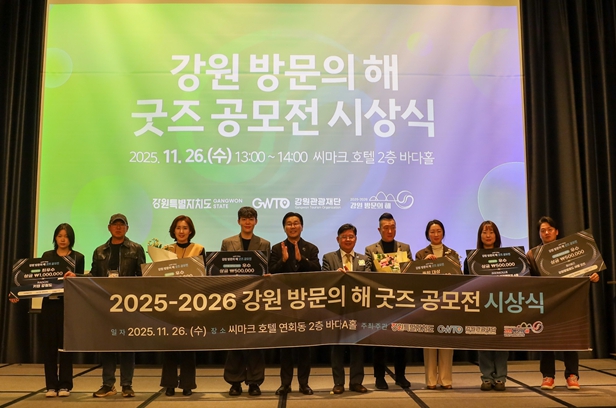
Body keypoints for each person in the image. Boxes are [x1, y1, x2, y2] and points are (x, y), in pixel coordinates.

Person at [9, 223, 85, 397]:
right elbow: (35, 280)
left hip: (68, 307)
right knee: (49, 346)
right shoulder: (47, 256)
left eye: (66, 236)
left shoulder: (78, 258)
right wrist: (17, 293)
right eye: (59, 236)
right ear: (55, 238)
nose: (63, 239)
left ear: (71, 238)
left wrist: (75, 277)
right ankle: (51, 385)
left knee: (66, 347)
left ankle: (65, 385)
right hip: (49, 306)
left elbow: (81, 283)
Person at [527, 216, 600, 391]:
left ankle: (572, 375)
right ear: (539, 234)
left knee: (570, 337)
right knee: (546, 338)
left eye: (550, 229)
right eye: (543, 230)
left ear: (557, 231)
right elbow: (528, 279)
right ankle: (548, 376)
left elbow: (584, 270)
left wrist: (593, 276)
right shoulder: (533, 254)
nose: (546, 233)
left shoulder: (571, 249)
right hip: (546, 302)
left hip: (569, 301)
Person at [90, 213, 145, 398]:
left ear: (127, 228)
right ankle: (108, 384)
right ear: (109, 228)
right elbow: (93, 277)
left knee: (128, 345)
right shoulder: (99, 251)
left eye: (122, 225)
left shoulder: (136, 249)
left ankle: (127, 385)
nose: (118, 227)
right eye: (115, 224)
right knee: (107, 345)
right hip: (105, 305)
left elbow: (143, 277)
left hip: (128, 305)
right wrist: (76, 278)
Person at [220, 206, 270, 397]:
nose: (247, 222)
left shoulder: (264, 244)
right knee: (235, 341)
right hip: (234, 299)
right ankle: (235, 382)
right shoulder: (227, 243)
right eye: (244, 219)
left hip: (256, 300)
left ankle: (255, 382)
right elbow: (221, 270)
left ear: (256, 221)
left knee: (256, 343)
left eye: (251, 219)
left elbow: (266, 270)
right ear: (238, 221)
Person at [270, 212, 321, 396]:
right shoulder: (277, 248)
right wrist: (283, 260)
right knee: (286, 346)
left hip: (305, 303)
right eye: (289, 224)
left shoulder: (311, 248)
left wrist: (302, 259)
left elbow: (318, 271)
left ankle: (304, 384)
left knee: (304, 346)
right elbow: (270, 272)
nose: (293, 226)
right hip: (284, 303)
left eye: (296, 223)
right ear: (284, 227)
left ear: (302, 226)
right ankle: (285, 384)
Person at [322, 223, 372, 395]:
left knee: (357, 347)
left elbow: (368, 279)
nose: (348, 240)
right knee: (336, 348)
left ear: (356, 239)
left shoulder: (364, 259)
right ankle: (338, 383)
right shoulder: (329, 258)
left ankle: (356, 382)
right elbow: (323, 279)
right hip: (336, 310)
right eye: (344, 237)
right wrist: (334, 276)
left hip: (358, 310)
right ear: (338, 239)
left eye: (351, 237)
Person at [364, 212, 412, 390]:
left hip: (400, 301)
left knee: (401, 341)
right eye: (386, 228)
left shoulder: (404, 248)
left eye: (393, 227)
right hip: (381, 301)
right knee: (380, 342)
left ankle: (400, 376)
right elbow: (366, 273)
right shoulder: (371, 250)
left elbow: (411, 271)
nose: (390, 231)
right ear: (379, 230)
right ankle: (379, 377)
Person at [160, 215, 204, 397]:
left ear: (190, 231)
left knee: (188, 346)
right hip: (169, 303)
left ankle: (187, 384)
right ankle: (169, 384)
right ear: (173, 230)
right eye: (178, 227)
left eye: (185, 228)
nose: (181, 231)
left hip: (190, 303)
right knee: (170, 346)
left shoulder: (199, 249)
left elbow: (203, 275)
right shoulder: (165, 250)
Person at [415, 219, 460, 390]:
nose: (435, 234)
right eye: (432, 231)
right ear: (427, 234)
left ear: (443, 233)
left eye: (439, 231)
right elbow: (415, 279)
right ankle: (431, 380)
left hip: (447, 302)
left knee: (446, 340)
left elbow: (459, 276)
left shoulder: (452, 254)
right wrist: (425, 263)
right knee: (429, 342)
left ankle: (446, 380)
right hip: (428, 302)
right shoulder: (420, 254)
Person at [464, 221, 508, 392]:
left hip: (502, 305)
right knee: (483, 343)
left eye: (491, 232)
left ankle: (500, 378)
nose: (488, 235)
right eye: (484, 232)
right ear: (480, 236)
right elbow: (465, 283)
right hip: (481, 305)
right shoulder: (471, 259)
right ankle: (487, 377)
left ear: (496, 235)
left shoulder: (508, 257)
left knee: (501, 342)